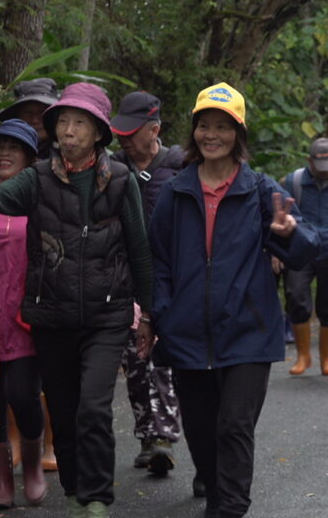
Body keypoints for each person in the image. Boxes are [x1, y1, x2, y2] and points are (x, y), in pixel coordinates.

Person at [0, 82, 154, 518]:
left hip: (107, 315)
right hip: (52, 315)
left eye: (79, 123)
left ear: (98, 132)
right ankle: (75, 492)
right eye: (63, 122)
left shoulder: (121, 180)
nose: (68, 131)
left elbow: (140, 249)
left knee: (94, 408)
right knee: (66, 410)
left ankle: (98, 497)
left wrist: (148, 314)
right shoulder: (37, 178)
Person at [144, 82, 318, 518]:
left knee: (235, 425)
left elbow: (306, 248)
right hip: (187, 332)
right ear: (194, 131)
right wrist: (161, 314)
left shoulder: (260, 190)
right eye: (204, 125)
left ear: (238, 133)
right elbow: (157, 261)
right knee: (201, 431)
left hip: (247, 331)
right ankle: (219, 496)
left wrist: (289, 233)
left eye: (223, 127)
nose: (212, 135)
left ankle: (230, 508)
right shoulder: (176, 192)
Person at [108, 91, 186, 477]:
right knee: (137, 359)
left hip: (171, 277)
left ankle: (164, 437)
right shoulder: (111, 167)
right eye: (120, 131)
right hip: (124, 277)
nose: (123, 138)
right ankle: (148, 437)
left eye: (132, 131)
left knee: (165, 361)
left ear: (154, 130)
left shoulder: (179, 165)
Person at [0, 120, 48, 509]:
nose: (4, 153)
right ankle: (2, 485)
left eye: (13, 147)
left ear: (30, 159)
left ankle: (32, 467)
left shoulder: (41, 201)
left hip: (25, 317)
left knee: (23, 394)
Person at [282, 137, 328, 376]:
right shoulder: (294, 181)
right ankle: (303, 356)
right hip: (301, 249)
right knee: (296, 297)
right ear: (310, 161)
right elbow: (283, 217)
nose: (326, 172)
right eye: (321, 167)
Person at [0, 77, 61, 159]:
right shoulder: (3, 153)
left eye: (41, 113)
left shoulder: (67, 153)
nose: (34, 120)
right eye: (27, 114)